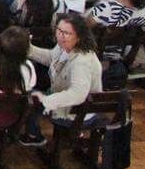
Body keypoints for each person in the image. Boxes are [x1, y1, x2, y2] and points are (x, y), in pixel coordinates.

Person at [18, 12, 104, 146]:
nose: (60, 36)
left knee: (28, 99)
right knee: (31, 95)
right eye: (59, 30)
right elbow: (51, 58)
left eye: (67, 33)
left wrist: (47, 100)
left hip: (78, 111)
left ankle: (34, 135)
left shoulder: (81, 61)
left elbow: (77, 94)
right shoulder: (64, 46)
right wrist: (29, 49)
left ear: (79, 36)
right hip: (67, 101)